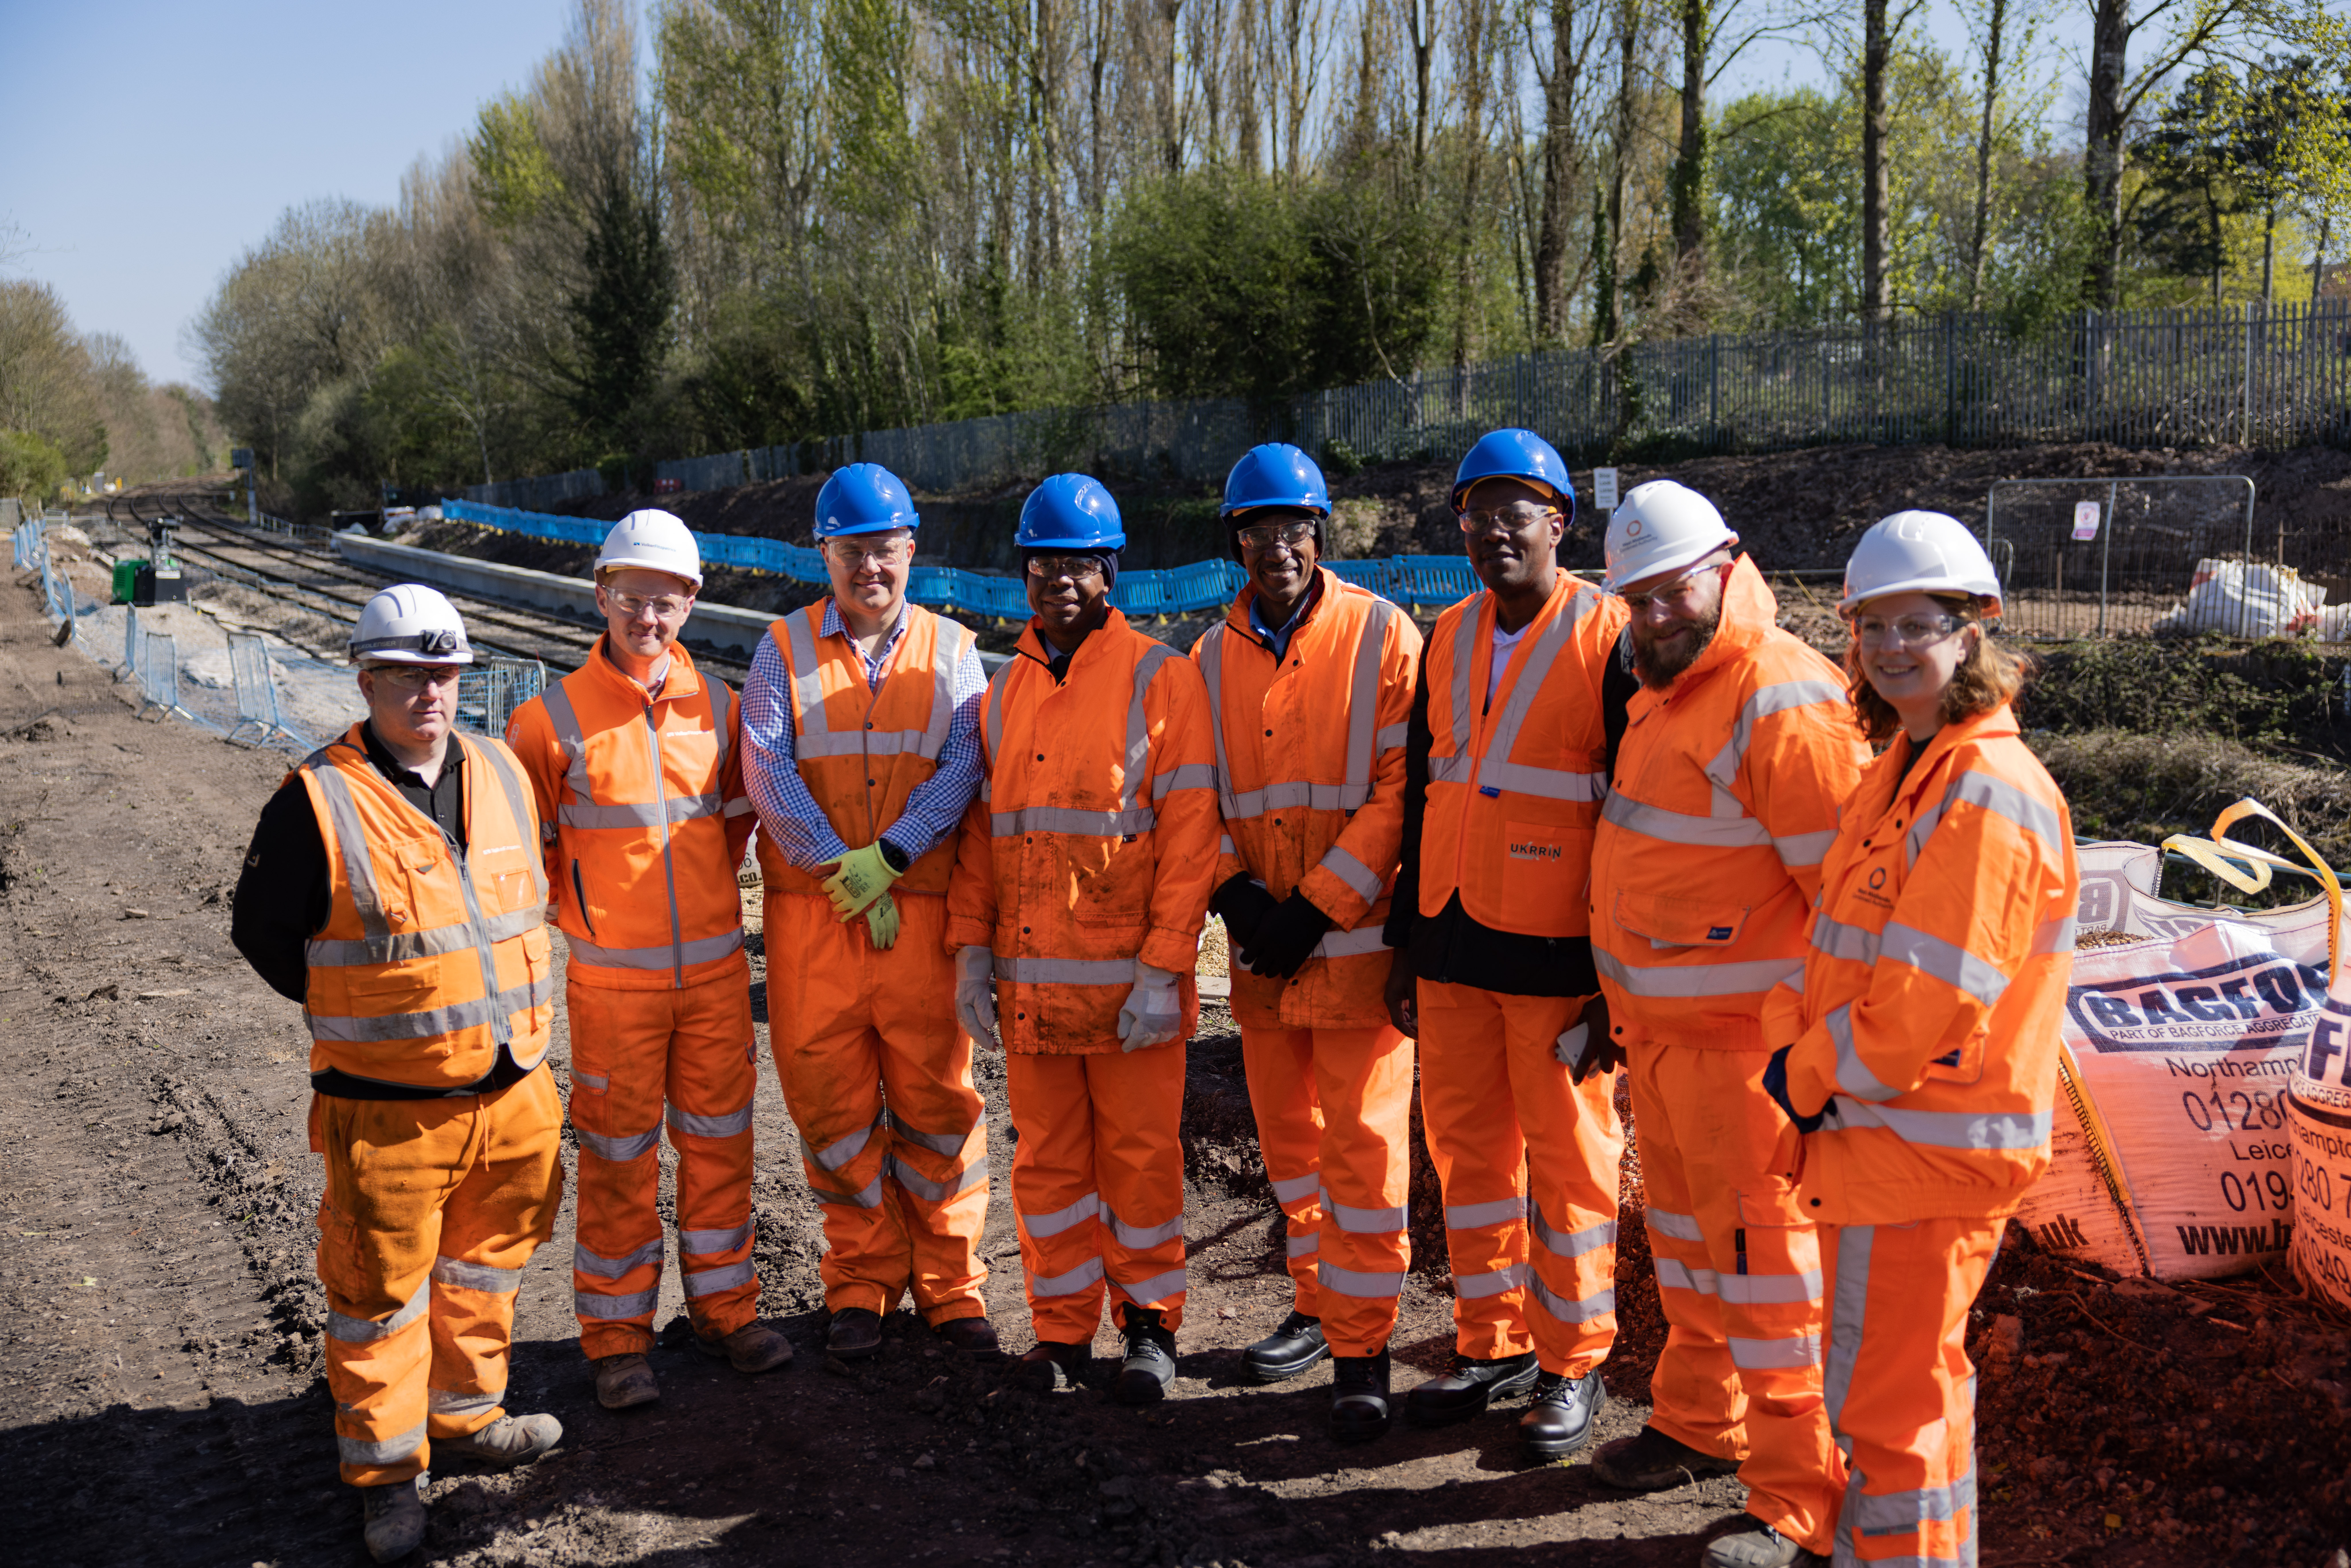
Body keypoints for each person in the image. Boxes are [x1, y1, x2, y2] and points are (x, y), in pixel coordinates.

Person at [1760, 511, 2077, 1568]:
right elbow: (1839, 954)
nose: (1891, 646)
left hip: (1922, 1151)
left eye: (1918, 624)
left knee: (1891, 1411)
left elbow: (1923, 1010)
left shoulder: (1983, 789)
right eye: (1873, 626)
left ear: (1972, 631)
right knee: (1901, 1400)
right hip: (1892, 1144)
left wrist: (1804, 1072)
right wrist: (1797, 1053)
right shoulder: (1910, 767)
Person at [231, 585, 562, 1563]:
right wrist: (371, 1018)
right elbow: (264, 934)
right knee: (379, 1298)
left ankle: (466, 1416)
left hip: (514, 1089)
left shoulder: (501, 771)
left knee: (484, 1272)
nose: (431, 693)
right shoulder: (316, 799)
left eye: (445, 673)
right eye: (409, 675)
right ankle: (385, 1477)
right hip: (389, 1113)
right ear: (366, 679)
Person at [1581, 481, 1870, 1568]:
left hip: (1752, 1059)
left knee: (1768, 1275)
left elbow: (1850, 903)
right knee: (1695, 1258)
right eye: (1637, 600)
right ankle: (1702, 1423)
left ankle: (1799, 1499)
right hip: (1666, 1046)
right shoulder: (1668, 691)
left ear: (1729, 564)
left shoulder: (1781, 696)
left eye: (1674, 592)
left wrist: (1825, 1061)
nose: (1656, 616)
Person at [506, 511, 788, 1411]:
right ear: (602, 595)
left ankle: (727, 1314)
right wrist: (587, 919)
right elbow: (530, 849)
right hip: (611, 986)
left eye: (666, 602)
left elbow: (739, 826)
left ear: (692, 602)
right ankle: (619, 1340)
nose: (649, 618)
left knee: (722, 1146)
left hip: (714, 980)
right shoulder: (546, 721)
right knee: (618, 1158)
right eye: (632, 599)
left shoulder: (725, 711)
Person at [945, 473, 1217, 1404]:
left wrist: (1165, 970)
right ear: (1024, 572)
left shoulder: (1160, 679)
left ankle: (1150, 1327)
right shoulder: (1004, 693)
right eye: (1044, 564)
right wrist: (972, 956)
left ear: (1111, 572)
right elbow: (983, 837)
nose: (1060, 580)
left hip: (1132, 990)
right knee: (1049, 1166)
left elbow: (1191, 839)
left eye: (1080, 565)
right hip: (1033, 991)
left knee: (1141, 1162)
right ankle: (1061, 1331)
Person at [1381, 429, 1627, 1458]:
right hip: (1452, 940)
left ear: (1558, 523)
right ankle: (1494, 1345)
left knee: (1569, 1162)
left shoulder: (1610, 637)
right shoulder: (1448, 635)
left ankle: (1575, 1361)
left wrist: (1615, 983)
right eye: (1477, 514)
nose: (1493, 531)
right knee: (1468, 1155)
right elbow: (1422, 791)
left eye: (1514, 512)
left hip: (1556, 953)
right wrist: (1405, 941)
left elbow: (1633, 816)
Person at [1191, 443, 1423, 1442]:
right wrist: (1235, 894)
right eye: (1258, 529)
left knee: (1362, 1150)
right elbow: (1189, 794)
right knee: (1290, 1143)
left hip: (1354, 951)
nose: (1276, 545)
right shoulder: (1207, 659)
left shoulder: (1382, 635)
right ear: (1236, 542)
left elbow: (1401, 790)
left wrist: (1318, 904)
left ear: (1318, 533)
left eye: (1292, 526)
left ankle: (1364, 1344)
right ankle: (1316, 1301)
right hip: (1262, 956)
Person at [740, 463, 994, 1362]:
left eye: (884, 550)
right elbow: (765, 766)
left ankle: (953, 1286)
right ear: (825, 555)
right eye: (851, 552)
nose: (869, 568)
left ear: (911, 550)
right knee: (833, 1110)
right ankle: (860, 1280)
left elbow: (964, 764)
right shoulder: (782, 650)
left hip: (917, 917)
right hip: (818, 923)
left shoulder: (955, 652)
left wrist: (888, 859)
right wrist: (835, 866)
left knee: (938, 1107)